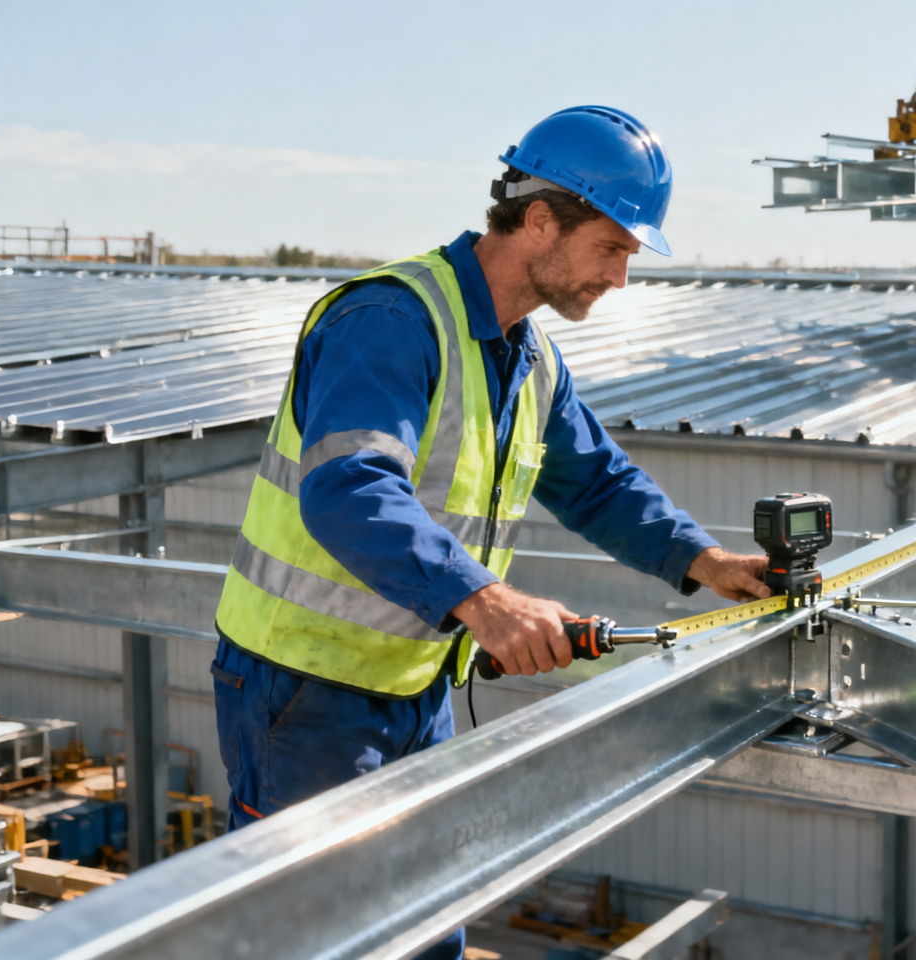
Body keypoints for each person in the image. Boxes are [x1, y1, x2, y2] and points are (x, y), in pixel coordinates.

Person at [210, 106, 770, 960]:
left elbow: (597, 484)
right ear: (541, 220)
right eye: (613, 248)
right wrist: (485, 599)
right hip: (303, 693)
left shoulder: (527, 355)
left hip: (416, 684)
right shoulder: (393, 320)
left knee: (428, 923)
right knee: (315, 939)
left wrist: (705, 560)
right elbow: (347, 487)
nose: (621, 277)